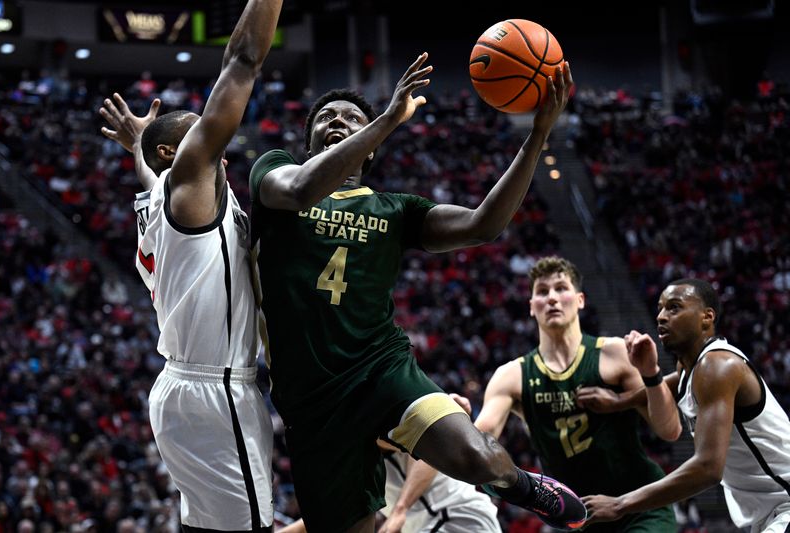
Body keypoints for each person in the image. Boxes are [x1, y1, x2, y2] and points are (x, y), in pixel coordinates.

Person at [249, 58, 586, 532]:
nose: (337, 121)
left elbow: (483, 224)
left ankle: (524, 487)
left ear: (370, 152)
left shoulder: (396, 210)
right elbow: (304, 188)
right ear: (309, 144)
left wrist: (537, 135)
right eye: (326, 117)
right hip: (309, 397)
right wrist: (387, 120)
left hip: (380, 368)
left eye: (350, 117)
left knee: (479, 457)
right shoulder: (276, 173)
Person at [98, 1, 282, 531]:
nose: (218, 152)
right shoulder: (191, 186)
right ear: (175, 157)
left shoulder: (159, 194)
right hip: (215, 391)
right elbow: (242, 60)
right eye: (202, 143)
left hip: (186, 387)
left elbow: (148, 166)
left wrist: (137, 143)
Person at [471, 255, 680, 532]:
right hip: (576, 517)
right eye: (542, 292)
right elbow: (479, 446)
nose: (552, 298)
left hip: (638, 505)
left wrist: (652, 372)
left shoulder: (616, 354)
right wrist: (462, 428)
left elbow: (670, 431)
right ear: (531, 307)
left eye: (561, 288)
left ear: (580, 300)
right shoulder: (511, 376)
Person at [583, 278, 790, 532]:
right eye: (659, 308)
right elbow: (670, 383)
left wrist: (620, 504)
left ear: (707, 317)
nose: (660, 316)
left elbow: (708, 468)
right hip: (771, 511)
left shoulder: (717, 367)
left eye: (674, 307)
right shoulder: (691, 367)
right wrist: (619, 401)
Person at [274, 395, 502, 533]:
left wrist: (399, 510)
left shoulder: (378, 425)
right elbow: (325, 519)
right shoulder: (353, 462)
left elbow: (428, 456)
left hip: (456, 516)